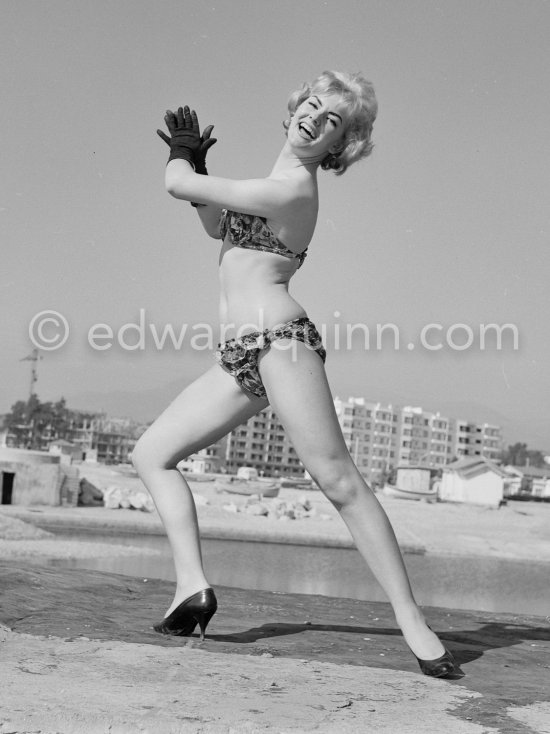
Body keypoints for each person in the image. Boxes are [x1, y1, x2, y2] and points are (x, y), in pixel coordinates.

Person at [132, 71, 458, 678]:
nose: (315, 118)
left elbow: (177, 185)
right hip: (238, 355)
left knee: (338, 481)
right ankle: (190, 589)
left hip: (281, 343)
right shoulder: (267, 185)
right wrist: (205, 178)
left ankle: (413, 620)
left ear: (338, 147)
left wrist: (185, 161)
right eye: (312, 104)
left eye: (332, 121)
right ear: (294, 109)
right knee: (151, 454)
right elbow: (214, 224)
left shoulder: (293, 189)